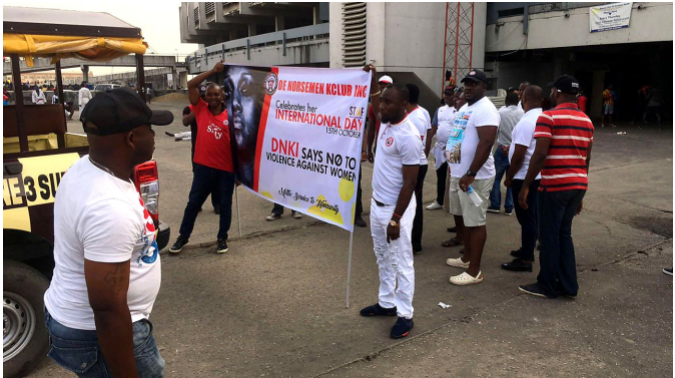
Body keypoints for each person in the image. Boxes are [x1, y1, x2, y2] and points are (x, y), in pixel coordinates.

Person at [43, 88, 173, 377]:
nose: (154, 138)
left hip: (80, 321)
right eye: (149, 129)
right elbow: (107, 309)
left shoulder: (85, 167)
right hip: (97, 334)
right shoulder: (109, 207)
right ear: (131, 139)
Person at [518, 75, 594, 298]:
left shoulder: (548, 117)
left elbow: (540, 153)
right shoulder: (587, 121)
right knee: (564, 234)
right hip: (577, 184)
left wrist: (525, 186)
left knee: (549, 236)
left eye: (552, 91)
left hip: (554, 186)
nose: (550, 94)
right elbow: (585, 159)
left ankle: (547, 284)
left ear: (557, 93)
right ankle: (569, 285)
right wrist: (580, 193)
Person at [361, 68, 422, 339]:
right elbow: (374, 101)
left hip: (397, 210)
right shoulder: (386, 121)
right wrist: (372, 80)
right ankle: (386, 302)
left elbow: (410, 183)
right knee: (382, 256)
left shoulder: (408, 135)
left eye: (388, 102)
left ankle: (405, 314)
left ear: (404, 105)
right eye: (382, 101)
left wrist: (396, 218)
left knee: (401, 261)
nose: (382, 106)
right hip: (377, 204)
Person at [169, 61, 236, 255]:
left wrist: (240, 173)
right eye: (209, 95)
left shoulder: (231, 115)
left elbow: (238, 146)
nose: (213, 97)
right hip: (204, 169)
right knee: (193, 204)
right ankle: (183, 237)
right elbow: (191, 85)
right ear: (205, 97)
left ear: (222, 95)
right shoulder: (200, 109)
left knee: (225, 206)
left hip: (226, 170)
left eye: (217, 94)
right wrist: (213, 72)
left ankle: (222, 238)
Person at [444, 69, 499, 286]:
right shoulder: (467, 107)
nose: (468, 87)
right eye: (466, 83)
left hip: (475, 177)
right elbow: (460, 136)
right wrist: (453, 164)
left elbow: (486, 143)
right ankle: (466, 258)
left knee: (475, 222)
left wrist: (471, 172)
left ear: (484, 87)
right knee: (464, 219)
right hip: (459, 173)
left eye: (474, 84)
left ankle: (475, 271)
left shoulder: (486, 109)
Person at [501, 85, 544, 272]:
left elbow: (519, 155)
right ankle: (526, 249)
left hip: (523, 175)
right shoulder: (541, 117)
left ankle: (526, 259)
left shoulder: (526, 122)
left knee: (526, 218)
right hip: (535, 175)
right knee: (531, 216)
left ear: (524, 99)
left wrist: (509, 177)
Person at [182, 83, 220, 213]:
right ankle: (196, 204)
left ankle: (217, 204)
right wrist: (198, 109)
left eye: (206, 97)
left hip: (215, 150)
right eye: (202, 97)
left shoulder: (215, 109)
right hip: (198, 150)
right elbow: (185, 122)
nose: (205, 100)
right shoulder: (189, 108)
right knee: (199, 180)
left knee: (216, 178)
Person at [405, 84, 432, 254]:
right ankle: (411, 240)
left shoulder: (416, 118)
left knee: (413, 203)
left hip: (415, 165)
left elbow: (416, 145)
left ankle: (414, 243)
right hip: (417, 162)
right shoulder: (417, 113)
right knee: (411, 202)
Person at [488, 92, 523, 215]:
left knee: (495, 178)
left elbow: (495, 130)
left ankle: (495, 204)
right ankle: (509, 206)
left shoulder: (500, 113)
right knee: (512, 178)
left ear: (506, 102)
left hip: (502, 149)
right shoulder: (522, 114)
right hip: (515, 150)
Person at [427, 86, 457, 211]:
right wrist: (427, 142)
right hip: (440, 148)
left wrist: (450, 146)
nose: (446, 97)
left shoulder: (459, 110)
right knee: (441, 175)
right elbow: (434, 127)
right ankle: (440, 200)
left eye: (449, 94)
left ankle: (453, 203)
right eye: (445, 94)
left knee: (454, 176)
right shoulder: (440, 110)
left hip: (454, 147)